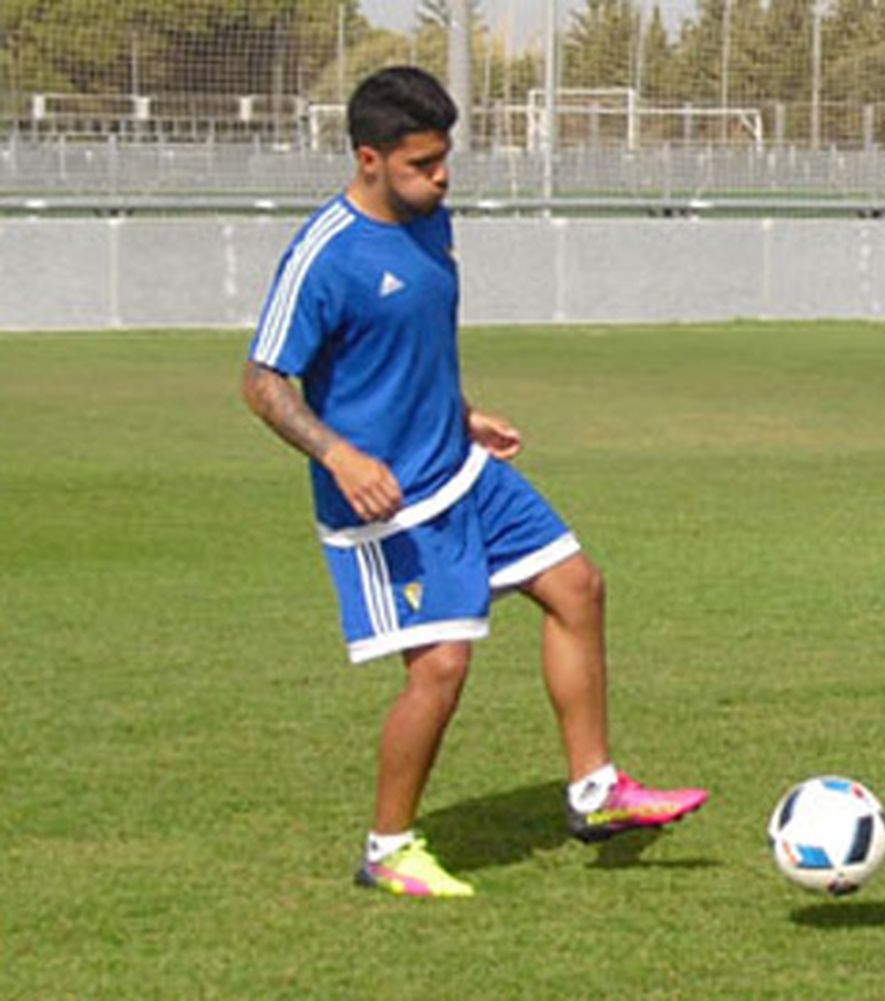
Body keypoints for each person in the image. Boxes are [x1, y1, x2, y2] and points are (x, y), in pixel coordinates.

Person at [240, 66, 706, 899]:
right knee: (442, 667)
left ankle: (595, 792)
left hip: (459, 467)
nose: (441, 176)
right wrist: (341, 456)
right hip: (388, 501)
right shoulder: (325, 254)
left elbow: (408, 349)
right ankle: (387, 847)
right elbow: (263, 382)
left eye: (445, 158)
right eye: (422, 163)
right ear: (370, 157)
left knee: (577, 586)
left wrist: (462, 414)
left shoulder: (431, 223)